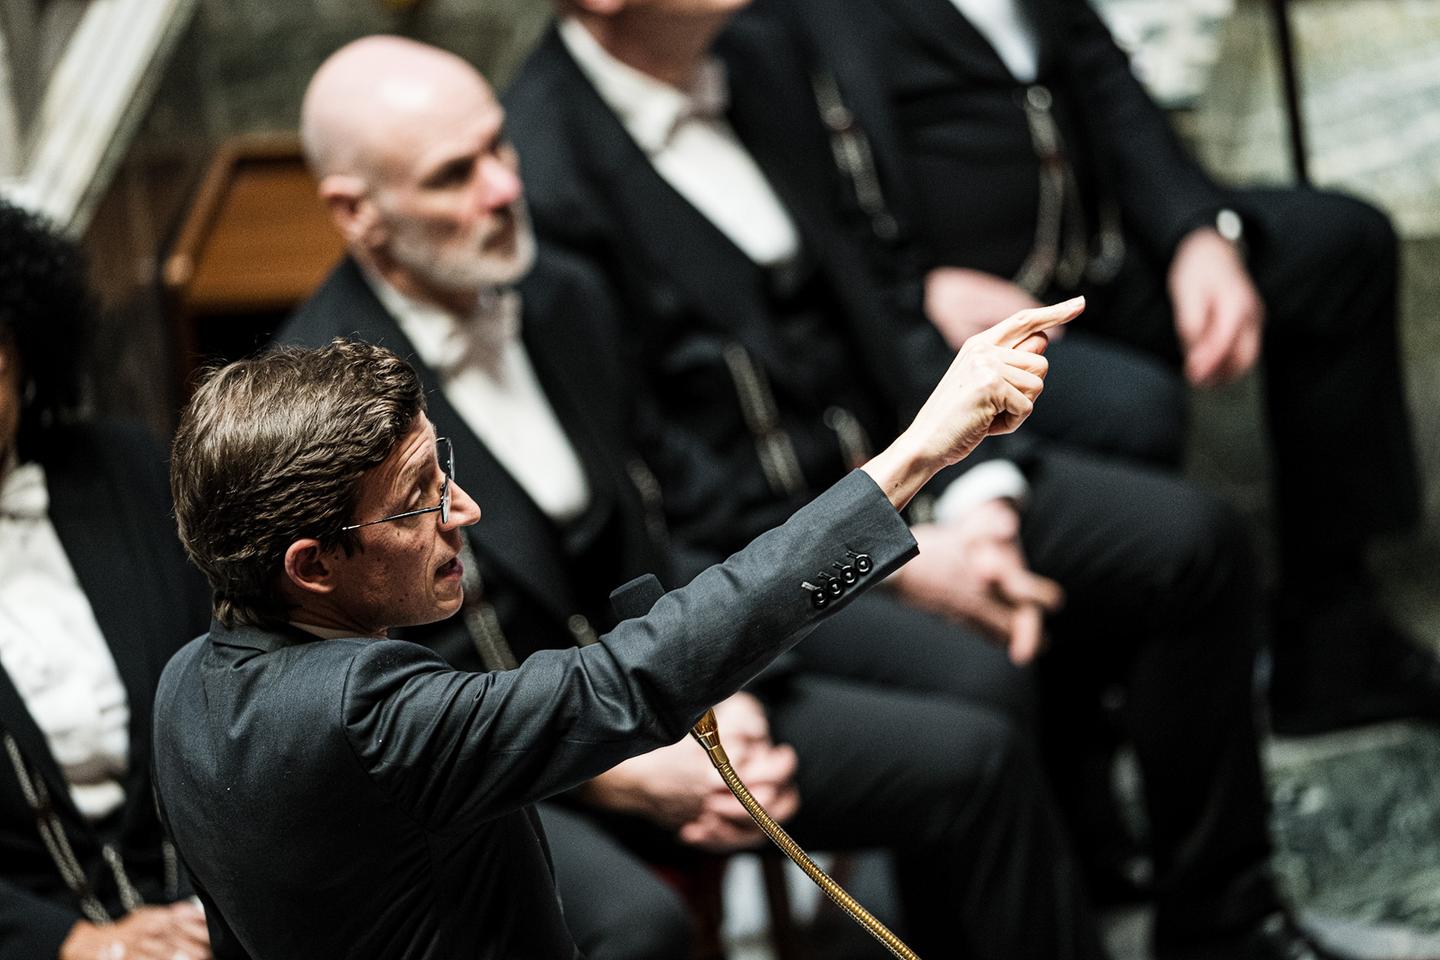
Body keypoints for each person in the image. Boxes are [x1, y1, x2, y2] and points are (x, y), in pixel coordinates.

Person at [504, 3, 1352, 958]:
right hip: (762, 540)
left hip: (914, 460)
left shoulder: (763, 50)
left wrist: (976, 488)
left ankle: (1222, 921)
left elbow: (882, 287)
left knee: (1192, 546)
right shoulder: (544, 166)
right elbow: (656, 473)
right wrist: (896, 553)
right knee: (976, 690)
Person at [275, 36, 1101, 960]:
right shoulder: (324, 409)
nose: (506, 186)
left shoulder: (563, 293)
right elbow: (372, 700)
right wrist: (616, 771)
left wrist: (716, 679)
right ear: (358, 213)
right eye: (453, 176)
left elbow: (664, 517)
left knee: (980, 737)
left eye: (500, 148)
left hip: (655, 668)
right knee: (640, 932)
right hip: (504, 768)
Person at [152, 297, 1073, 959]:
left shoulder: (185, 687)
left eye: (444, 470)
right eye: (416, 502)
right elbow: (632, 678)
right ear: (311, 566)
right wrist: (918, 453)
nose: (462, 511)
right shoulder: (362, 712)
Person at [767, 0, 1437, 735]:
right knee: (1134, 407)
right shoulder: (802, 19)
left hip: (1104, 262)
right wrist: (915, 284)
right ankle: (1117, 709)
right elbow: (811, 182)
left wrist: (1199, 232)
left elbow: (1107, 82)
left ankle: (1334, 637)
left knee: (1342, 248)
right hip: (967, 327)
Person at [0, 200, 212, 960]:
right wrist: (75, 945)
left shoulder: (125, 469)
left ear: (25, 354)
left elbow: (231, 683)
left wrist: (219, 898)